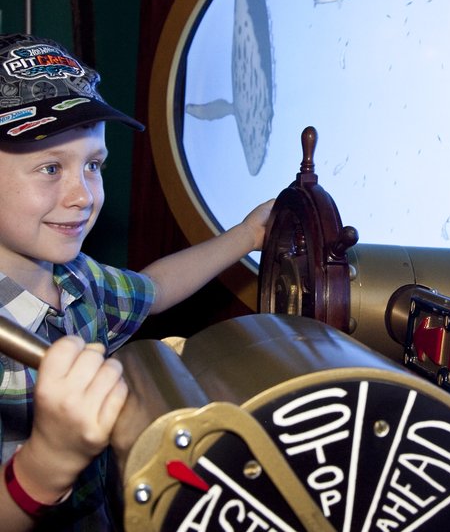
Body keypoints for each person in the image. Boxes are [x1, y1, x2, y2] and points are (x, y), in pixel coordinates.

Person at [0, 33, 273, 530]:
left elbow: (155, 288)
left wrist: (246, 235)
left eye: (93, 165)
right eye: (50, 168)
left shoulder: (78, 279)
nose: (83, 195)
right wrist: (45, 467)